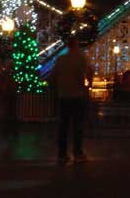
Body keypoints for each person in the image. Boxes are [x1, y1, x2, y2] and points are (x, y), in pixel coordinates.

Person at [50, 36, 94, 165]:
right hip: (77, 96)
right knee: (78, 126)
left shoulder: (61, 59)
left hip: (63, 96)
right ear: (77, 45)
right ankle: (78, 153)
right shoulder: (81, 58)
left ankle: (62, 154)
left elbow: (52, 77)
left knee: (63, 126)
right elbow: (90, 71)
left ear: (67, 46)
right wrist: (88, 85)